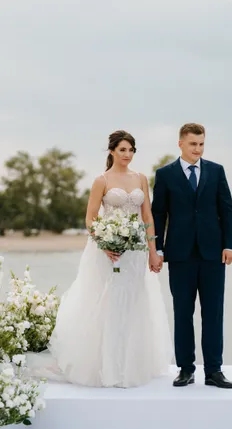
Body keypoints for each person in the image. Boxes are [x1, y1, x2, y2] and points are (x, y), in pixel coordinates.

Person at [31, 130, 172, 388]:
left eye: (131, 150)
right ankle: (105, 368)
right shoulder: (101, 180)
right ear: (112, 151)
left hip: (136, 253)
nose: (127, 155)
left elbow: (148, 217)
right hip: (109, 251)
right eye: (122, 150)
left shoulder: (141, 179)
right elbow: (90, 218)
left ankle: (129, 366)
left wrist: (153, 251)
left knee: (133, 302)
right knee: (108, 302)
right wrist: (105, 242)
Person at [152, 123, 232, 389]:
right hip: (179, 255)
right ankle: (185, 369)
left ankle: (214, 370)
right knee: (183, 313)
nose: (197, 149)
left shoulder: (216, 171)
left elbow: (227, 210)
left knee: (213, 314)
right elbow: (158, 214)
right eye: (192, 144)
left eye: (201, 144)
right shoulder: (165, 175)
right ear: (180, 144)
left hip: (213, 255)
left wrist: (229, 245)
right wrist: (158, 249)